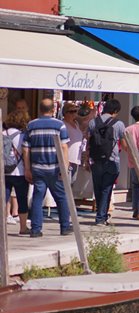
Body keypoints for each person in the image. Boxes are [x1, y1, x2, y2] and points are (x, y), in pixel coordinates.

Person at [21, 98, 72, 237]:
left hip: (38, 168)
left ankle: (36, 229)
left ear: (40, 109)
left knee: (38, 198)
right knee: (61, 197)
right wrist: (65, 168)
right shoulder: (59, 125)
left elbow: (25, 149)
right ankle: (65, 227)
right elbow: (64, 147)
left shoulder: (31, 125)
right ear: (53, 110)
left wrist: (27, 168)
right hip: (55, 168)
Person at [85, 99, 126, 226]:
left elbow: (88, 141)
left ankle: (101, 214)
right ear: (115, 111)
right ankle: (101, 217)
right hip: (112, 160)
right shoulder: (119, 124)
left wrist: (86, 159)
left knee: (98, 188)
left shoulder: (93, 122)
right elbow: (124, 144)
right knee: (107, 189)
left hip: (96, 159)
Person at [4, 111, 30, 235]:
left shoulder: (2, 134)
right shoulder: (22, 136)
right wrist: (28, 169)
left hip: (3, 173)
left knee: (2, 199)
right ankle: (23, 227)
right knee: (22, 199)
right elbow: (25, 152)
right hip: (19, 172)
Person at [62, 103, 85, 183]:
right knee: (67, 182)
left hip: (76, 158)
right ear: (65, 113)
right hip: (68, 158)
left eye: (75, 111)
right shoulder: (63, 125)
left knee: (72, 181)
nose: (74, 113)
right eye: (71, 111)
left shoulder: (76, 124)